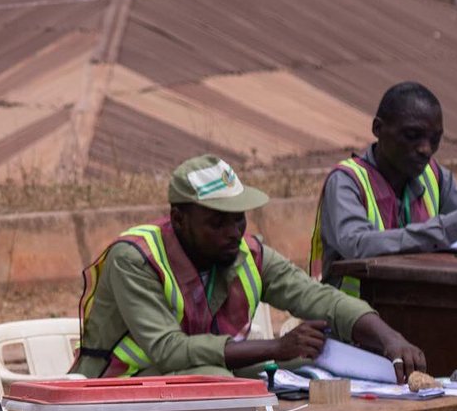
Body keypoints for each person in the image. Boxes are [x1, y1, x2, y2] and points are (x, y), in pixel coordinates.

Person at [71, 154, 426, 380]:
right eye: (217, 223)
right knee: (217, 384)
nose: (233, 234)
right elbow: (171, 351)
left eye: (238, 220)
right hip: (116, 390)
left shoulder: (246, 253)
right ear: (179, 219)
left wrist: (389, 338)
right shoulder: (136, 258)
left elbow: (320, 298)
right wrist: (276, 347)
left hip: (192, 376)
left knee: (312, 372)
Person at [310, 82, 457, 293]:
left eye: (434, 140)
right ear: (378, 129)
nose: (426, 149)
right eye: (411, 136)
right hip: (353, 317)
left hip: (419, 308)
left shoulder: (434, 176)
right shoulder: (346, 181)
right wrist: (443, 230)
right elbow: (357, 246)